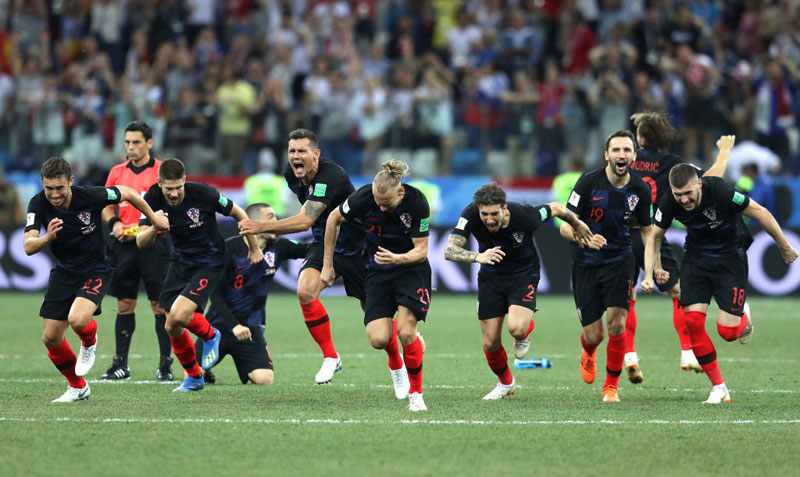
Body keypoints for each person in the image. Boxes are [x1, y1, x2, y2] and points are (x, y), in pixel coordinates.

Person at [641, 164, 798, 403]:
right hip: (696, 259)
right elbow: (654, 235)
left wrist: (785, 247)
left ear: (698, 184)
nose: (683, 199)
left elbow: (761, 212)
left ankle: (743, 316)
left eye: (688, 193)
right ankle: (719, 388)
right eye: (678, 194)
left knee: (727, 332)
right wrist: (650, 274)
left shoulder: (721, 192)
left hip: (730, 259)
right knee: (692, 321)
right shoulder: (669, 200)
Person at [23, 157, 169, 402]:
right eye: (49, 188)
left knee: (78, 320)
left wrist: (154, 220)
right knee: (50, 338)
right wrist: (48, 238)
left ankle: (89, 341)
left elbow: (129, 193)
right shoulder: (37, 203)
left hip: (96, 269)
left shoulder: (89, 196)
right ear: (42, 184)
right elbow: (28, 246)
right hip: (64, 272)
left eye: (60, 188)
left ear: (71, 181)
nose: (55, 194)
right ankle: (78, 387)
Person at [238, 129, 367, 384]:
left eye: (302, 151)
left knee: (376, 322)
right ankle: (331, 356)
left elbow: (305, 220)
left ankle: (406, 344)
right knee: (305, 291)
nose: (295, 156)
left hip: (358, 245)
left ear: (316, 154)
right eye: (292, 151)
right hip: (324, 241)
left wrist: (261, 226)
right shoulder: (291, 175)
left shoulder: (332, 175)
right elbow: (312, 220)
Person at [445, 182, 592, 400]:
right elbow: (449, 250)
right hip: (490, 278)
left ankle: (524, 332)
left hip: (523, 275)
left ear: (505, 209)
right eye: (484, 214)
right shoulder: (470, 214)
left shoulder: (525, 215)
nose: (489, 219)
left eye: (494, 213)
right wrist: (478, 257)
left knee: (516, 328)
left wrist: (577, 224)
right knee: (490, 343)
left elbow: (558, 208)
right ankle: (506, 383)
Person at [625, 111, 735, 382]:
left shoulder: (627, 160)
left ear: (639, 138)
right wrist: (724, 152)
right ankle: (687, 352)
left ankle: (628, 354)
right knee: (677, 292)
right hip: (653, 235)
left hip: (622, 235)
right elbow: (709, 179)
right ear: (663, 137)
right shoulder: (673, 163)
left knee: (626, 297)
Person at [137, 158, 262, 392]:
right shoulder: (152, 198)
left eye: (178, 188)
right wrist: (155, 226)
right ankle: (194, 377)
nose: (173, 194)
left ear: (185, 181)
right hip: (180, 262)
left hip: (210, 261)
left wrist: (254, 248)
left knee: (180, 314)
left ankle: (210, 333)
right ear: (159, 183)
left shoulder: (204, 193)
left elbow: (239, 213)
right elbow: (141, 242)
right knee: (171, 325)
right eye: (168, 188)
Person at [321, 160, 431, 412]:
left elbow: (421, 252)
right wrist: (328, 265)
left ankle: (416, 394)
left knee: (404, 332)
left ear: (400, 192)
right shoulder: (363, 198)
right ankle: (404, 348)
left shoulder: (416, 202)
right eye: (377, 202)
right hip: (377, 272)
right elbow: (332, 219)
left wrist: (397, 258)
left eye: (387, 203)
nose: (381, 207)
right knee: (378, 339)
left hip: (410, 270)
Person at [560, 130, 653, 402]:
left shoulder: (641, 189)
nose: (621, 155)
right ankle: (588, 350)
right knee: (594, 334)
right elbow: (565, 227)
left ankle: (610, 387)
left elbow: (647, 232)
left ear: (634, 156)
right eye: (616, 150)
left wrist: (649, 271)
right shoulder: (589, 182)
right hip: (586, 264)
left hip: (620, 260)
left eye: (626, 150)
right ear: (606, 155)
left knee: (616, 323)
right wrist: (585, 238)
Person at [193, 203, 309, 385]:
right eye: (271, 217)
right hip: (217, 327)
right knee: (191, 376)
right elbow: (215, 294)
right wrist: (234, 326)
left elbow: (312, 250)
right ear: (253, 222)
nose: (276, 222)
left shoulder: (279, 247)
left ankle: (245, 367)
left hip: (251, 329)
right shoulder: (229, 249)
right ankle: (205, 373)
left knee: (264, 380)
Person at [99, 120, 174, 382]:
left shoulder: (162, 172)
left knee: (160, 306)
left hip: (155, 243)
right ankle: (120, 365)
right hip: (124, 246)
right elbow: (106, 205)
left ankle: (165, 365)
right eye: (127, 142)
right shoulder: (117, 172)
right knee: (124, 304)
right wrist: (115, 222)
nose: (130, 147)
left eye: (136, 142)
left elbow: (174, 203)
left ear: (150, 143)